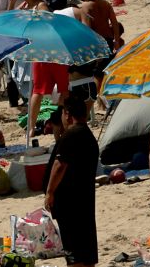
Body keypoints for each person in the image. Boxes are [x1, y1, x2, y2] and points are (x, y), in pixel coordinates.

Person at [46, 98, 99, 267]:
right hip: (85, 199)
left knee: (74, 250)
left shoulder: (70, 135)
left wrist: (50, 192)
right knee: (86, 248)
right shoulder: (89, 136)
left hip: (70, 201)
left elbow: (60, 165)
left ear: (67, 114)